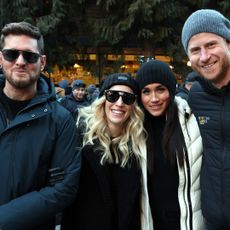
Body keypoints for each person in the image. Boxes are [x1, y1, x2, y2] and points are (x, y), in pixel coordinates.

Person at [0, 21, 81, 230]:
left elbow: (63, 189)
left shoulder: (60, 120)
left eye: (29, 56)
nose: (20, 62)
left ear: (42, 62)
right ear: (1, 59)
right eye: (11, 54)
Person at [61, 73, 152, 230]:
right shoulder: (80, 137)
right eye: (113, 96)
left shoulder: (140, 143)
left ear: (133, 105)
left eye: (127, 98)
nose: (119, 103)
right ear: (103, 99)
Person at [136, 60, 204, 230]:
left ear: (171, 90)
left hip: (187, 221)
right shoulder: (133, 127)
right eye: (146, 91)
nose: (154, 99)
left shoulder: (191, 121)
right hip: (148, 220)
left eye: (160, 89)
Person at [181, 9, 230, 229]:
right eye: (195, 50)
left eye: (211, 45)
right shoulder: (196, 96)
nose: (204, 56)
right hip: (212, 220)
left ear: (228, 43)